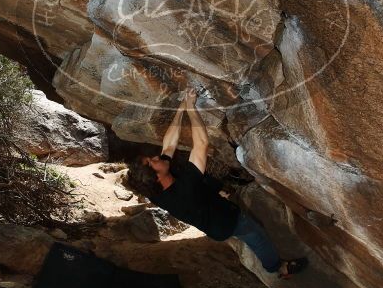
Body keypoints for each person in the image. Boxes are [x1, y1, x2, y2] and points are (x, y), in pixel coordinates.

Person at [126, 88, 308, 278]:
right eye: (152, 162)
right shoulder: (184, 190)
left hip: (208, 213)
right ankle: (278, 268)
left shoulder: (154, 186)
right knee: (256, 235)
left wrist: (181, 108)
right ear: (157, 176)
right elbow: (201, 144)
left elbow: (169, 145)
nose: (156, 157)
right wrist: (191, 108)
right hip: (226, 223)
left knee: (242, 225)